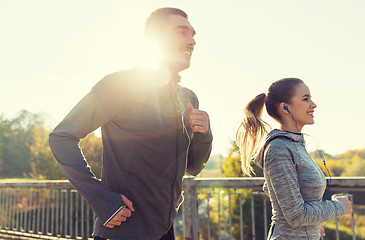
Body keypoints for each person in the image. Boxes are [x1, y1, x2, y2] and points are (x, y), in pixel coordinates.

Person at [49, 7, 212, 240]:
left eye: (193, 34)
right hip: (121, 231)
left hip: (165, 231)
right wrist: (100, 197)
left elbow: (194, 167)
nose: (192, 41)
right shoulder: (121, 85)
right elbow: (61, 137)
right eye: (182, 33)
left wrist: (204, 134)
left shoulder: (188, 98)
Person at [236, 78, 352, 240]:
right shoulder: (279, 149)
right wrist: (339, 206)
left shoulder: (294, 145)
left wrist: (315, 220)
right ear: (285, 107)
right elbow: (295, 215)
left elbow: (273, 189)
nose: (313, 104)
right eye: (306, 99)